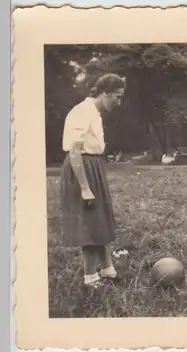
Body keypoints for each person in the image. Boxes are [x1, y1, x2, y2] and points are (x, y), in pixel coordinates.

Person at [60, 73, 126, 288]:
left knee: (101, 218)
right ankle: (90, 277)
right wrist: (85, 187)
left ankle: (107, 269)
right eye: (116, 96)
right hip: (82, 169)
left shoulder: (95, 113)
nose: (119, 101)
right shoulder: (82, 112)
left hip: (94, 166)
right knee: (89, 222)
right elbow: (74, 152)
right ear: (104, 93)